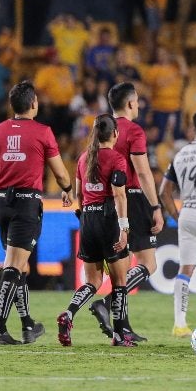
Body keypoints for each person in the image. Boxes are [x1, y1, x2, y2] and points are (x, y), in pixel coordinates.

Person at [0, 81, 73, 344]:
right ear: (33, 103)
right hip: (27, 203)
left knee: (18, 266)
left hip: (1, 203)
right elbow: (60, 173)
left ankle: (27, 325)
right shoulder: (43, 132)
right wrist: (68, 188)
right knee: (14, 266)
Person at [88, 82, 164, 342]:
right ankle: (107, 303)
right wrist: (155, 206)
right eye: (138, 101)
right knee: (147, 264)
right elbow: (142, 172)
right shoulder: (134, 131)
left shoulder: (104, 128)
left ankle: (123, 327)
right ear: (131, 103)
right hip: (132, 198)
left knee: (124, 265)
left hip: (106, 203)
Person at [57, 114, 133, 347]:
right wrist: (124, 228)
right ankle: (119, 336)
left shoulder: (83, 159)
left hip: (87, 219)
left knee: (92, 281)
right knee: (120, 282)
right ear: (115, 134)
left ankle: (69, 314)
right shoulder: (117, 159)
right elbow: (119, 194)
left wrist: (86, 217)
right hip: (109, 219)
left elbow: (80, 195)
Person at [159, 111, 196, 338]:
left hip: (186, 212)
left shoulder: (180, 154)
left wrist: (177, 215)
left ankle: (179, 324)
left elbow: (164, 192)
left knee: (186, 268)